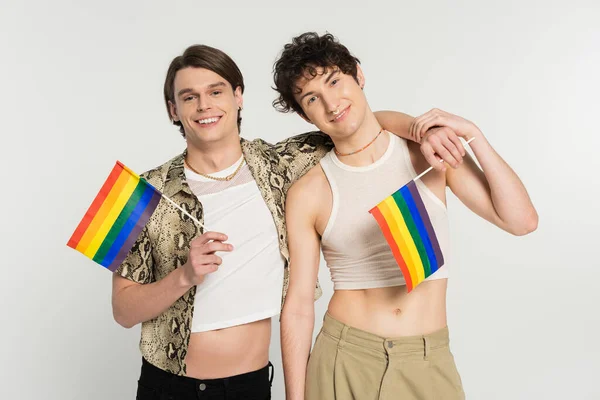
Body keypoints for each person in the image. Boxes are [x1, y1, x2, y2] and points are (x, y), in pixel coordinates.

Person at [111, 44, 462, 399]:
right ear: (173, 110)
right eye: (189, 97)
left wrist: (422, 130)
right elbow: (122, 312)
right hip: (167, 386)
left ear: (238, 96)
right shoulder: (136, 192)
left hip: (250, 385)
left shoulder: (283, 164)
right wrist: (184, 276)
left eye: (215, 91)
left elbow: (358, 121)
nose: (204, 106)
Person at [273, 32, 538, 400]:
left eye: (335, 81)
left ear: (359, 76)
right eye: (312, 98)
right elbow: (299, 305)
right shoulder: (308, 192)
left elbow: (521, 220)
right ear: (305, 114)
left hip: (427, 360)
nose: (332, 103)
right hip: (344, 358)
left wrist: (472, 134)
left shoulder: (426, 153)